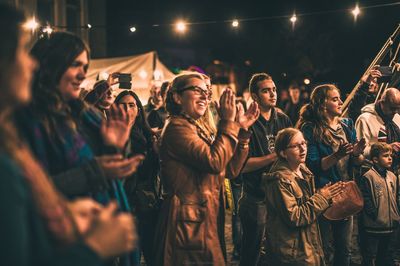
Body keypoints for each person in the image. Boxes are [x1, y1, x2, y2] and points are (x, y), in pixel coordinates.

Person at [0, 4, 136, 265]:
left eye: (86, 65)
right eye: (75, 64)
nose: (83, 73)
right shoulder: (25, 121)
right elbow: (32, 191)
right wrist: (94, 173)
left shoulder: (83, 115)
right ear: (53, 64)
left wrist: (113, 148)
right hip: (67, 247)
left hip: (89, 231)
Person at [153, 73, 259, 265]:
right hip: (185, 223)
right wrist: (228, 122)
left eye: (207, 92)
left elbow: (229, 171)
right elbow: (215, 162)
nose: (204, 96)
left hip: (202, 217)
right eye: (197, 90)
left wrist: (242, 135)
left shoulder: (196, 128)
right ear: (177, 97)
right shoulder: (177, 127)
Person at [298, 84, 366, 266]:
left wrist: (357, 153)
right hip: (325, 194)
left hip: (346, 192)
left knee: (345, 248)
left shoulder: (347, 125)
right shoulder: (310, 128)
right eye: (334, 99)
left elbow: (356, 162)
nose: (340, 102)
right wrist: (337, 155)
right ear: (322, 104)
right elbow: (313, 166)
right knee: (324, 249)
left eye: (339, 98)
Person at [263, 128, 344, 265]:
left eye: (304, 143)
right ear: (283, 153)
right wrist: (321, 198)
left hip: (308, 244)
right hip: (292, 251)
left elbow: (309, 205)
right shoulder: (280, 180)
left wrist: (330, 198)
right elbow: (295, 216)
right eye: (295, 146)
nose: (303, 149)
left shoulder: (303, 170)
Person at [239, 73, 292, 266]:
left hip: (280, 195)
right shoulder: (247, 122)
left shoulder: (283, 119)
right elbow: (242, 166)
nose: (272, 94)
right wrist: (276, 155)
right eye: (266, 90)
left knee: (277, 251)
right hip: (256, 197)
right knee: (251, 252)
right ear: (254, 96)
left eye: (274, 89)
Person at [114, 90, 162, 265]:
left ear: (139, 110)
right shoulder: (109, 135)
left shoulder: (148, 136)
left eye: (131, 105)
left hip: (148, 203)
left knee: (152, 253)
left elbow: (154, 170)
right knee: (130, 256)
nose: (127, 109)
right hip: (126, 203)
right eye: (122, 105)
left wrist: (157, 153)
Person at [359, 143, 400, 266]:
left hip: (390, 226)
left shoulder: (393, 176)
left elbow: (396, 197)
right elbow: (365, 199)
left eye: (391, 155)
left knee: (386, 255)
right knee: (370, 256)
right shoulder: (368, 176)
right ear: (375, 159)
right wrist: (374, 215)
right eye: (385, 156)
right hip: (374, 227)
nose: (390, 158)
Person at [355, 87, 400, 174]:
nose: (395, 111)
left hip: (394, 172)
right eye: (392, 108)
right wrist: (387, 148)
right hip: (373, 172)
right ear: (382, 103)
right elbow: (360, 151)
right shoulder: (365, 119)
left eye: (397, 108)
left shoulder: (397, 118)